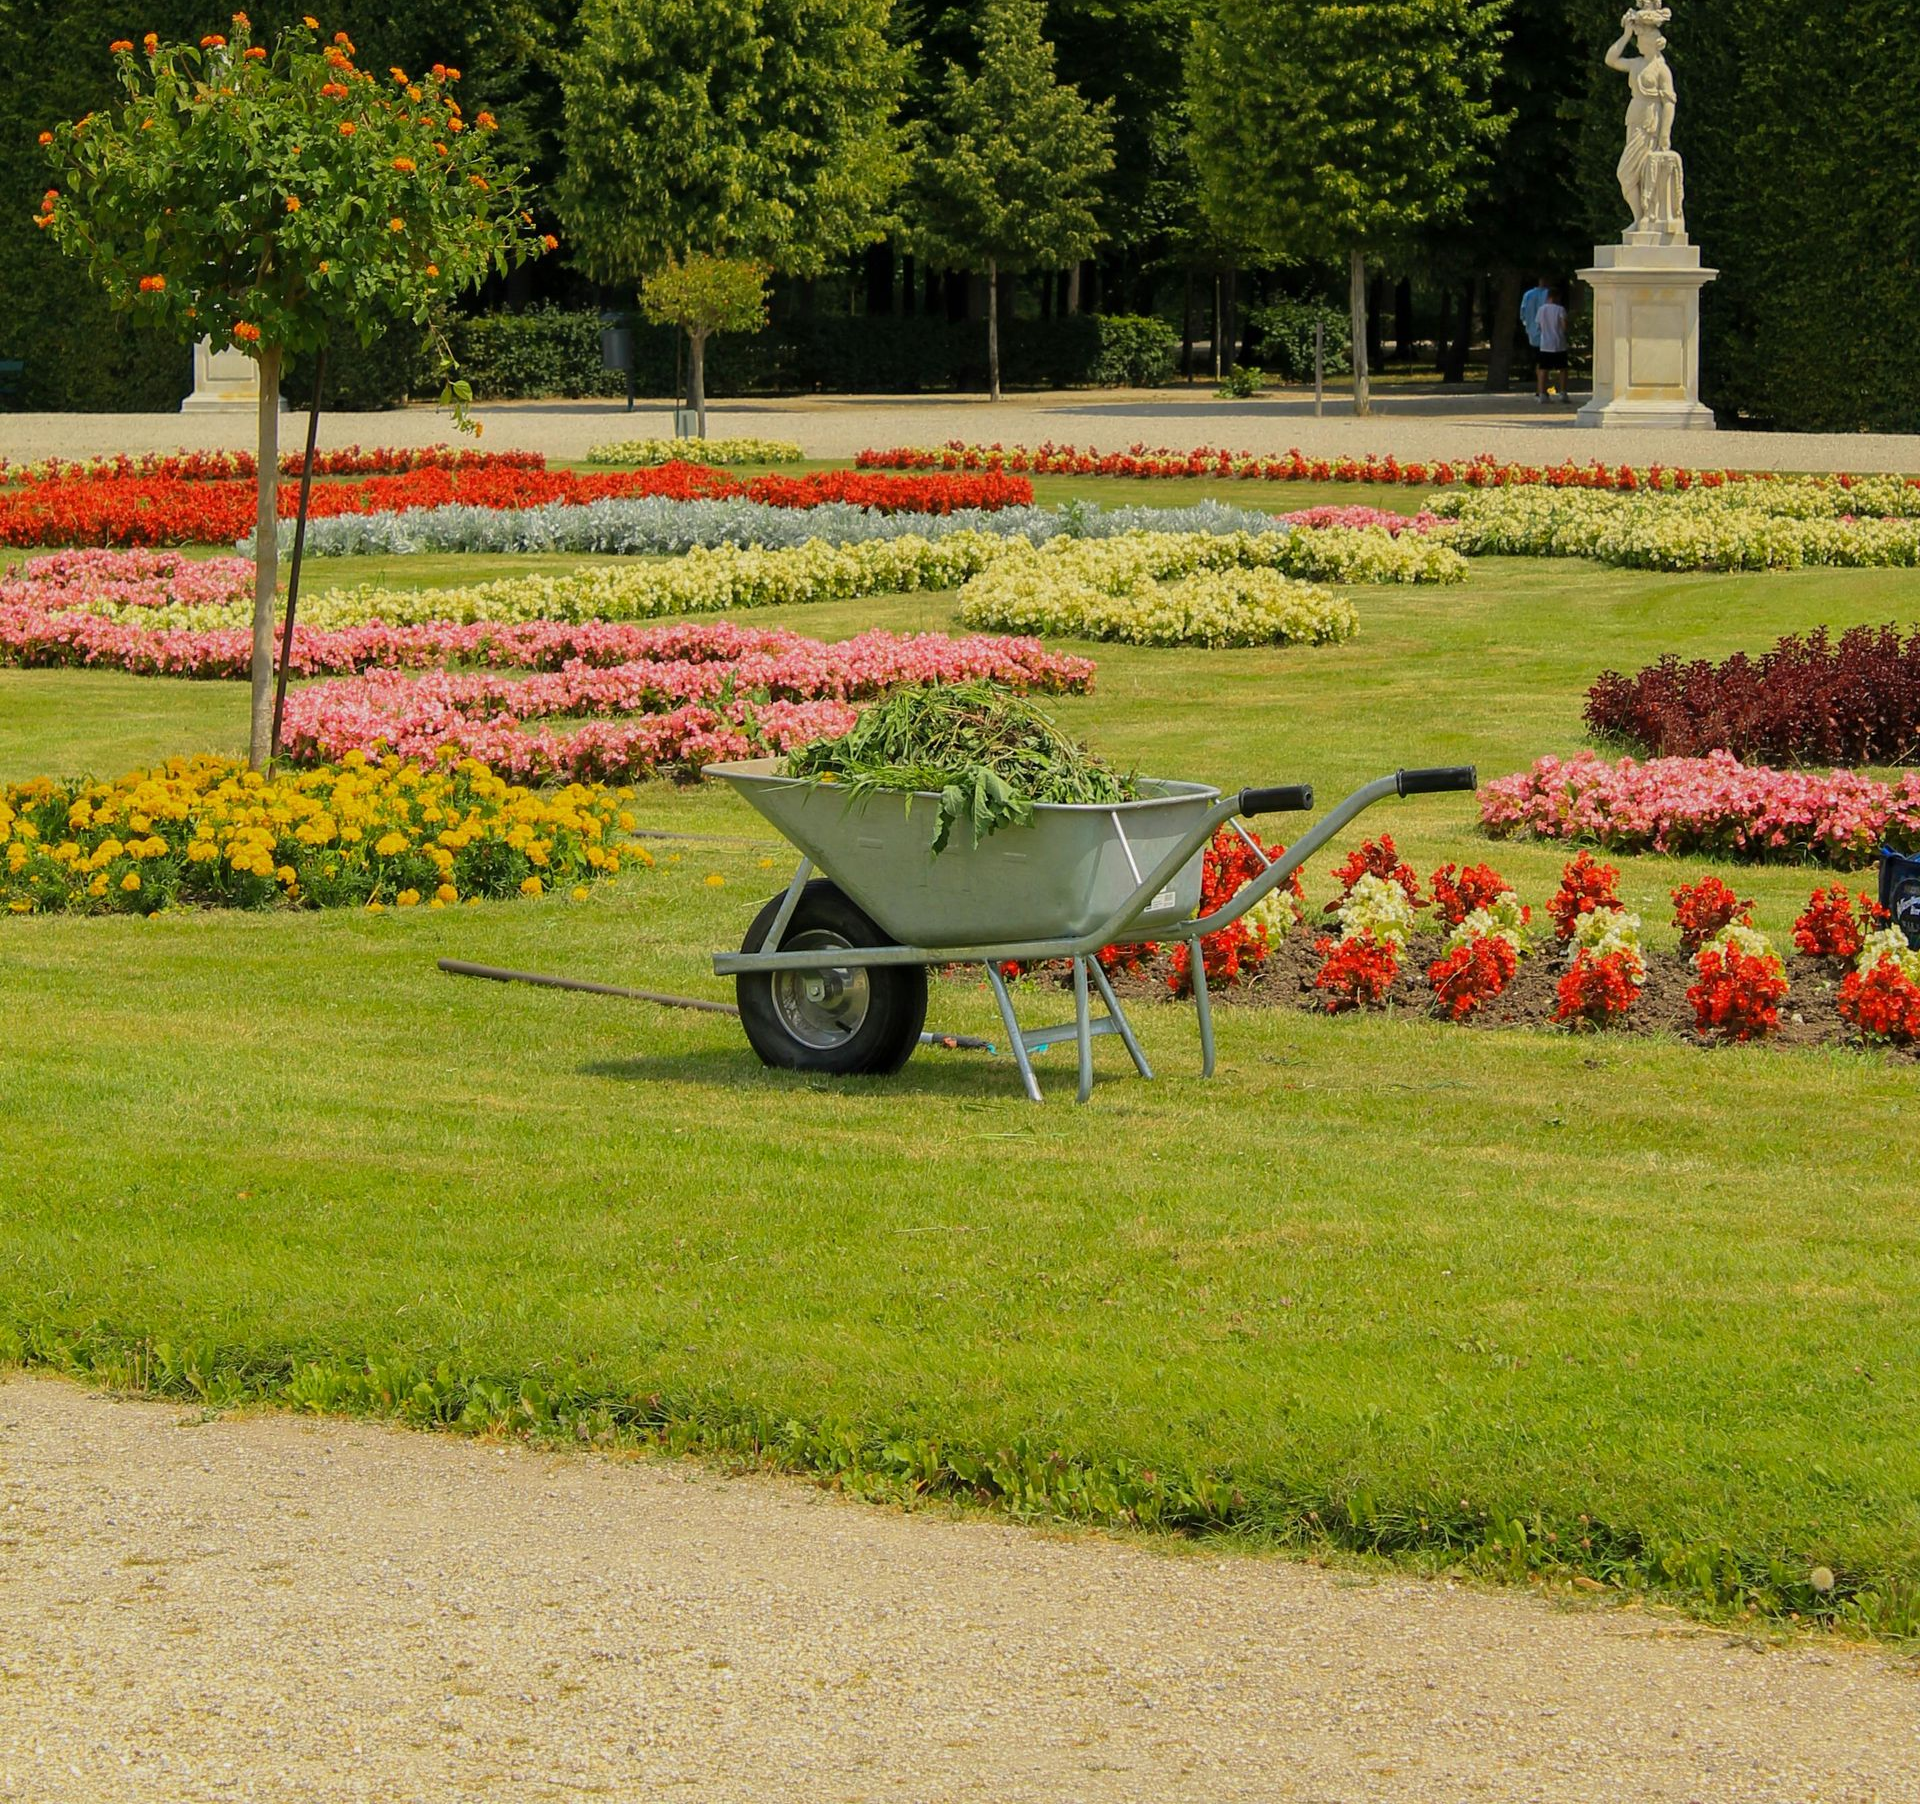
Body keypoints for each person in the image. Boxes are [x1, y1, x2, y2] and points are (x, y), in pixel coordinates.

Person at [1535, 288, 1571, 404]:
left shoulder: (1541, 310)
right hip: (1559, 343)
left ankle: (1542, 393)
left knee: (1543, 369)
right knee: (1563, 369)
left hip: (1545, 344)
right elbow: (1564, 326)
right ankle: (1563, 392)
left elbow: (1539, 325)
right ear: (1557, 297)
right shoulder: (1560, 309)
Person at [1520, 277, 1550, 400]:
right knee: (1544, 363)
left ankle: (1541, 389)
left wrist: (1528, 327)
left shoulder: (1528, 295)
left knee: (1539, 362)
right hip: (1548, 334)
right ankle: (1541, 390)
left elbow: (1522, 314)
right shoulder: (1549, 294)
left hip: (1533, 334)